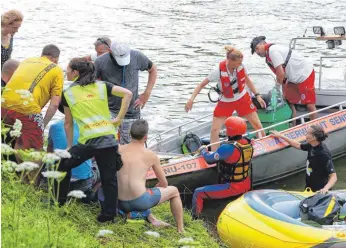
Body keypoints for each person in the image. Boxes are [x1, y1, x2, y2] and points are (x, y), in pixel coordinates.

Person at [56, 58, 132, 223]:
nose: (66, 72)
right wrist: (118, 119)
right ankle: (108, 215)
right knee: (109, 178)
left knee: (62, 164)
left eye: (68, 69)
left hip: (89, 142)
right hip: (109, 139)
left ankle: (60, 202)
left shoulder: (68, 93)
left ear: (75, 72)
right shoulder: (102, 86)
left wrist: (69, 146)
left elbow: (68, 123)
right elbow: (128, 94)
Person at [185, 46, 266, 151]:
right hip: (225, 101)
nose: (240, 64)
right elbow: (201, 85)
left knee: (257, 124)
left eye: (241, 62)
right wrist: (191, 100)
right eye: (238, 62)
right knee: (214, 130)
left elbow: (248, 81)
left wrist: (257, 95)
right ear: (230, 61)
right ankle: (215, 153)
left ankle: (264, 144)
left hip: (242, 98)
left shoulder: (241, 66)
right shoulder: (218, 71)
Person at [117, 119, 184, 233]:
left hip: (120, 201)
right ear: (146, 137)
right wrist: (158, 186)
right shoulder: (151, 155)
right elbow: (164, 183)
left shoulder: (118, 150)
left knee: (142, 188)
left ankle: (142, 216)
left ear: (129, 134)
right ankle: (180, 230)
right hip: (139, 201)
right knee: (174, 191)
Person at [2, 44, 63, 157]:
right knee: (35, 150)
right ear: (56, 59)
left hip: (4, 104)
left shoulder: (27, 61)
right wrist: (42, 125)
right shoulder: (56, 69)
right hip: (26, 108)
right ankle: (32, 174)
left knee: (15, 141)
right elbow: (54, 105)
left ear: (42, 54)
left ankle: (13, 169)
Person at [94, 42, 157, 144]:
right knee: (108, 143)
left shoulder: (137, 56)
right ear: (110, 51)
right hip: (110, 109)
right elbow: (92, 83)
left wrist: (146, 94)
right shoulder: (100, 61)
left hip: (132, 109)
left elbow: (153, 69)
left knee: (131, 143)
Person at [192, 116, 253, 216]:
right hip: (246, 183)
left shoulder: (227, 148)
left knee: (198, 193)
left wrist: (203, 150)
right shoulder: (248, 142)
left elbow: (209, 159)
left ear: (230, 131)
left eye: (227, 128)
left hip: (233, 187)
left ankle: (194, 219)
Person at [251, 36, 317, 125]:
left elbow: (280, 74)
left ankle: (315, 127)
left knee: (310, 105)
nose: (257, 52)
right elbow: (281, 75)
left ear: (263, 44)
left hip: (304, 74)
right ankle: (293, 125)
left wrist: (277, 88)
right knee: (288, 101)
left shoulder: (273, 51)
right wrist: (280, 89)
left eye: (257, 48)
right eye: (255, 51)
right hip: (291, 77)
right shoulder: (268, 58)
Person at [271, 125, 337, 193]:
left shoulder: (323, 154)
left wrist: (325, 189)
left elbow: (333, 176)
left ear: (313, 137)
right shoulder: (311, 145)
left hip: (320, 192)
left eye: (307, 133)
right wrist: (281, 136)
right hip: (309, 188)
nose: (305, 135)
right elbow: (298, 145)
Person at [48, 103, 94, 194]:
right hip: (82, 183)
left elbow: (49, 151)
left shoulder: (54, 127)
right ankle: (92, 191)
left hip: (57, 181)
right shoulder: (88, 127)